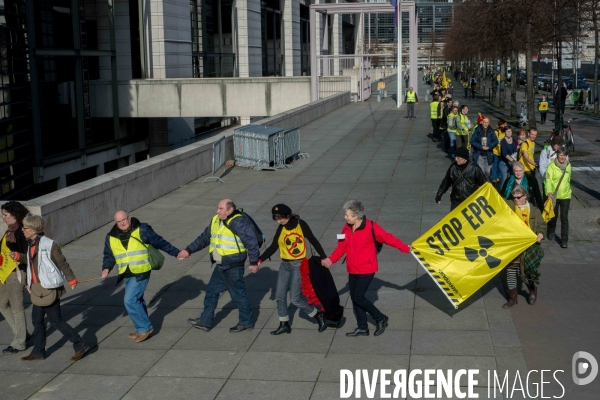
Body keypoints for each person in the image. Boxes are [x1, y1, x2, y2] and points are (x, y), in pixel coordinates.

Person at [321, 200, 411, 337]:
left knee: (358, 297)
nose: (345, 217)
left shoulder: (371, 227)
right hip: (352, 268)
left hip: (367, 268)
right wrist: (330, 260)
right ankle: (362, 327)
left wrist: (405, 248)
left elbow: (388, 238)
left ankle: (380, 318)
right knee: (355, 298)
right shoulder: (346, 228)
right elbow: (341, 247)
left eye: (347, 215)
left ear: (356, 215)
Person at [179, 199, 259, 332]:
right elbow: (204, 238)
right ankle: (205, 321)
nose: (217, 211)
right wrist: (188, 250)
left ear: (230, 210)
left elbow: (252, 242)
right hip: (221, 265)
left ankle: (246, 322)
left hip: (233, 266)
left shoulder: (239, 222)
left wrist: (253, 262)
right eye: (218, 208)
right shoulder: (216, 220)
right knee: (211, 292)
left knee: (238, 295)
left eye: (221, 209)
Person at [101, 210, 180, 342]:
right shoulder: (111, 236)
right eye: (119, 222)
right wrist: (106, 267)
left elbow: (160, 242)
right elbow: (108, 255)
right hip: (127, 273)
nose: (122, 223)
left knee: (130, 300)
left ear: (129, 218)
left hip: (141, 271)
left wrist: (176, 253)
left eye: (124, 220)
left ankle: (144, 328)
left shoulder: (142, 229)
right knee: (138, 299)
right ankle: (141, 328)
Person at [19, 214, 90, 361]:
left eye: (25, 227)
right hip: (37, 288)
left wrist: (72, 279)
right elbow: (33, 262)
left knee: (56, 321)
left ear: (33, 230)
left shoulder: (49, 244)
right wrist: (19, 257)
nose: (22, 230)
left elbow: (62, 263)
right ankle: (39, 351)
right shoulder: (30, 243)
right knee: (37, 320)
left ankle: (80, 344)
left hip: (49, 287)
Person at [257, 204, 328, 335]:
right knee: (280, 296)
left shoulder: (301, 224)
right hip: (284, 265)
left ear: (287, 215)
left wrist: (324, 257)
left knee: (295, 299)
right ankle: (284, 324)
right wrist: (259, 260)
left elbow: (313, 240)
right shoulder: (281, 228)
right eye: (276, 219)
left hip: (298, 265)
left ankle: (318, 315)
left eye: (280, 218)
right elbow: (273, 246)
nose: (279, 221)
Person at [502, 185, 546, 308]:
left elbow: (542, 225)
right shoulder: (510, 205)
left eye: (518, 197)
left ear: (525, 196)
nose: (516, 200)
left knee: (526, 273)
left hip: (528, 247)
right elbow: (496, 202)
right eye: (514, 197)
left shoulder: (534, 211)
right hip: (512, 246)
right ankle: (512, 298)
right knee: (510, 271)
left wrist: (541, 234)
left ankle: (532, 290)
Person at [0, 201, 30, 354]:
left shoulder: (21, 232)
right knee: (2, 304)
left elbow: (29, 255)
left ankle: (19, 342)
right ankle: (23, 333)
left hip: (16, 273)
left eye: (5, 214)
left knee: (17, 308)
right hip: (5, 273)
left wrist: (18, 256)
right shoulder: (10, 231)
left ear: (14, 215)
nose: (2, 217)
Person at [544, 147, 572, 248]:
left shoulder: (569, 166)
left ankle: (564, 240)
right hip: (554, 196)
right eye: (561, 155)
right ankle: (551, 230)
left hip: (566, 195)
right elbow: (548, 181)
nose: (562, 157)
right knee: (553, 216)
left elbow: (568, 180)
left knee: (564, 218)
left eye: (564, 155)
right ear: (557, 155)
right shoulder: (551, 166)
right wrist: (549, 192)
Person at [518, 128, 544, 209]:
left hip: (532, 169)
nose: (533, 136)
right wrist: (535, 164)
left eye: (535, 135)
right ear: (528, 133)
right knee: (527, 189)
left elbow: (531, 156)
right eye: (532, 134)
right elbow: (526, 157)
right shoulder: (525, 143)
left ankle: (534, 205)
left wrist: (534, 166)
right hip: (525, 170)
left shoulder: (533, 143)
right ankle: (530, 205)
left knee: (533, 188)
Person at [499, 126, 517, 191]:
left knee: (513, 177)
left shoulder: (514, 139)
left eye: (510, 131)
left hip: (512, 163)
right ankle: (501, 192)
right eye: (507, 131)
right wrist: (512, 160)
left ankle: (512, 192)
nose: (509, 133)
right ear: (505, 132)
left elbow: (516, 149)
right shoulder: (503, 141)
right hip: (504, 162)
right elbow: (504, 153)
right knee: (504, 178)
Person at [491, 119, 508, 185]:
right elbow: (493, 140)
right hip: (496, 151)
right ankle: (493, 178)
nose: (506, 125)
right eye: (505, 124)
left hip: (502, 152)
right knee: (495, 164)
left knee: (500, 165)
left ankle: (498, 177)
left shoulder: (505, 132)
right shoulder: (496, 131)